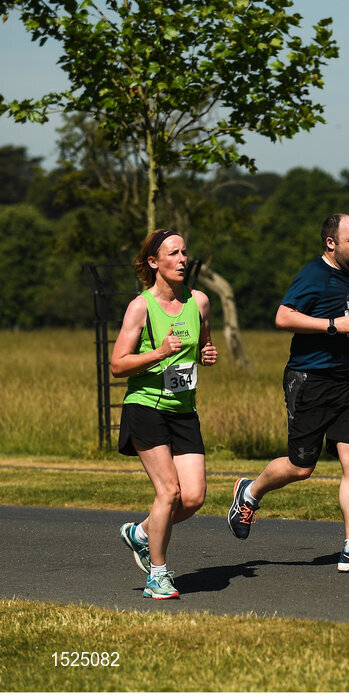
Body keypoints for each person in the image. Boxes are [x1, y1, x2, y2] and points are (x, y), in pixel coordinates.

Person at [227, 213, 349, 572]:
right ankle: (250, 492)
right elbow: (283, 317)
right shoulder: (313, 275)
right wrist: (334, 325)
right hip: (310, 380)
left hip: (348, 383)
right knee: (301, 467)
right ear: (331, 243)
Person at [111, 228, 218, 599]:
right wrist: (157, 353)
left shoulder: (199, 301)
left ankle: (140, 533)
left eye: (185, 252)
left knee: (194, 497)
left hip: (184, 410)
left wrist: (207, 353)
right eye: (173, 253)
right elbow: (117, 364)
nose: (182, 259)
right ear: (154, 262)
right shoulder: (141, 306)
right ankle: (157, 575)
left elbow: (203, 342)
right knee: (169, 493)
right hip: (145, 408)